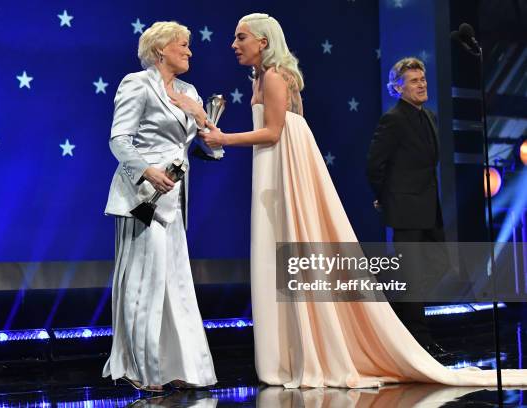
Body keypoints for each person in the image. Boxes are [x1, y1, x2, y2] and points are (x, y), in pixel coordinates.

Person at [200, 12, 527, 388]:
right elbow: (293, 126)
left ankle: (314, 350)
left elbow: (276, 131)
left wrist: (224, 139)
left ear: (263, 41)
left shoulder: (274, 76)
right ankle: (300, 349)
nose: (234, 45)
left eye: (241, 37)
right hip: (283, 168)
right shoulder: (266, 77)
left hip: (283, 166)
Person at [102, 21, 217, 392]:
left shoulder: (189, 91)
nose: (189, 51)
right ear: (160, 50)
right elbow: (119, 140)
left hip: (175, 199)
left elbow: (213, 147)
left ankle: (178, 366)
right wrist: (147, 171)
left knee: (177, 283)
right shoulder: (136, 83)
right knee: (142, 283)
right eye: (182, 45)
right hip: (141, 198)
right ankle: (138, 368)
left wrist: (200, 116)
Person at [366, 57, 447, 357]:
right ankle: (421, 343)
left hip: (429, 206)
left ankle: (393, 304)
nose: (422, 84)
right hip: (404, 208)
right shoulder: (393, 119)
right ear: (398, 87)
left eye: (423, 79)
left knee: (441, 265)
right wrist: (384, 196)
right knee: (411, 277)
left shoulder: (431, 116)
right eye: (414, 81)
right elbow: (374, 164)